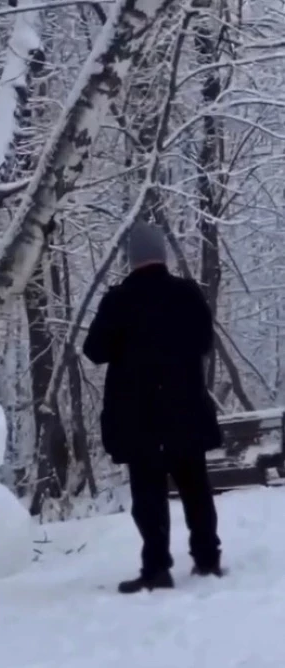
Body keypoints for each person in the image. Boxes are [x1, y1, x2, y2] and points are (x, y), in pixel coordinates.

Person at [83, 220, 223, 593]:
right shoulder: (187, 294)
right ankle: (208, 559)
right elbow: (205, 342)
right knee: (196, 489)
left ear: (131, 259)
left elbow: (94, 351)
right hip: (186, 411)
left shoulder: (118, 300)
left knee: (148, 496)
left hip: (138, 418)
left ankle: (157, 567)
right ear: (162, 255)